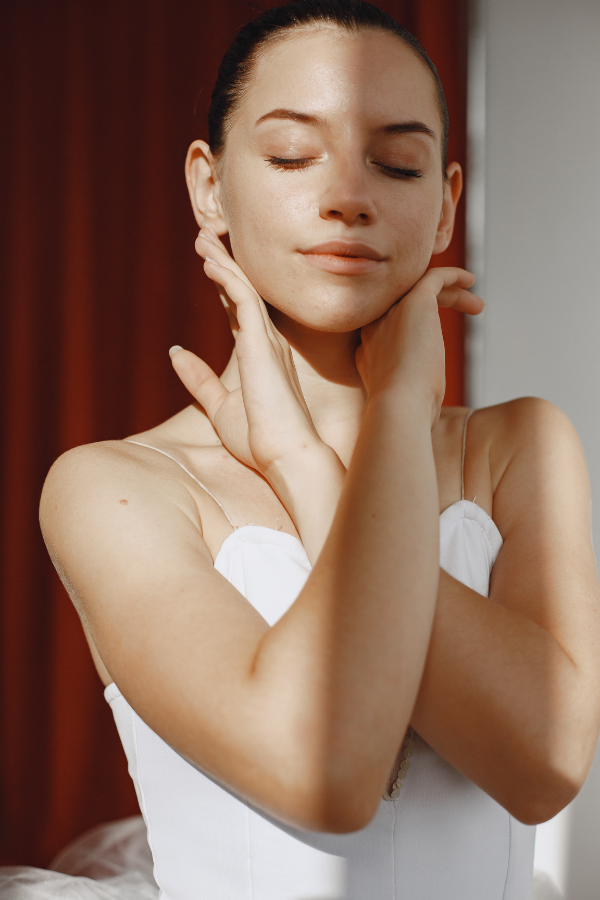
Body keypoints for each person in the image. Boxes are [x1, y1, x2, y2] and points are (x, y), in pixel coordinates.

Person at [2, 1, 599, 898]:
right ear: (209, 187)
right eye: (291, 155)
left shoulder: (517, 446)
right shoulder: (115, 487)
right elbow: (327, 773)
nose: (348, 196)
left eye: (397, 163)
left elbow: (543, 766)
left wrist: (327, 460)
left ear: (445, 206)